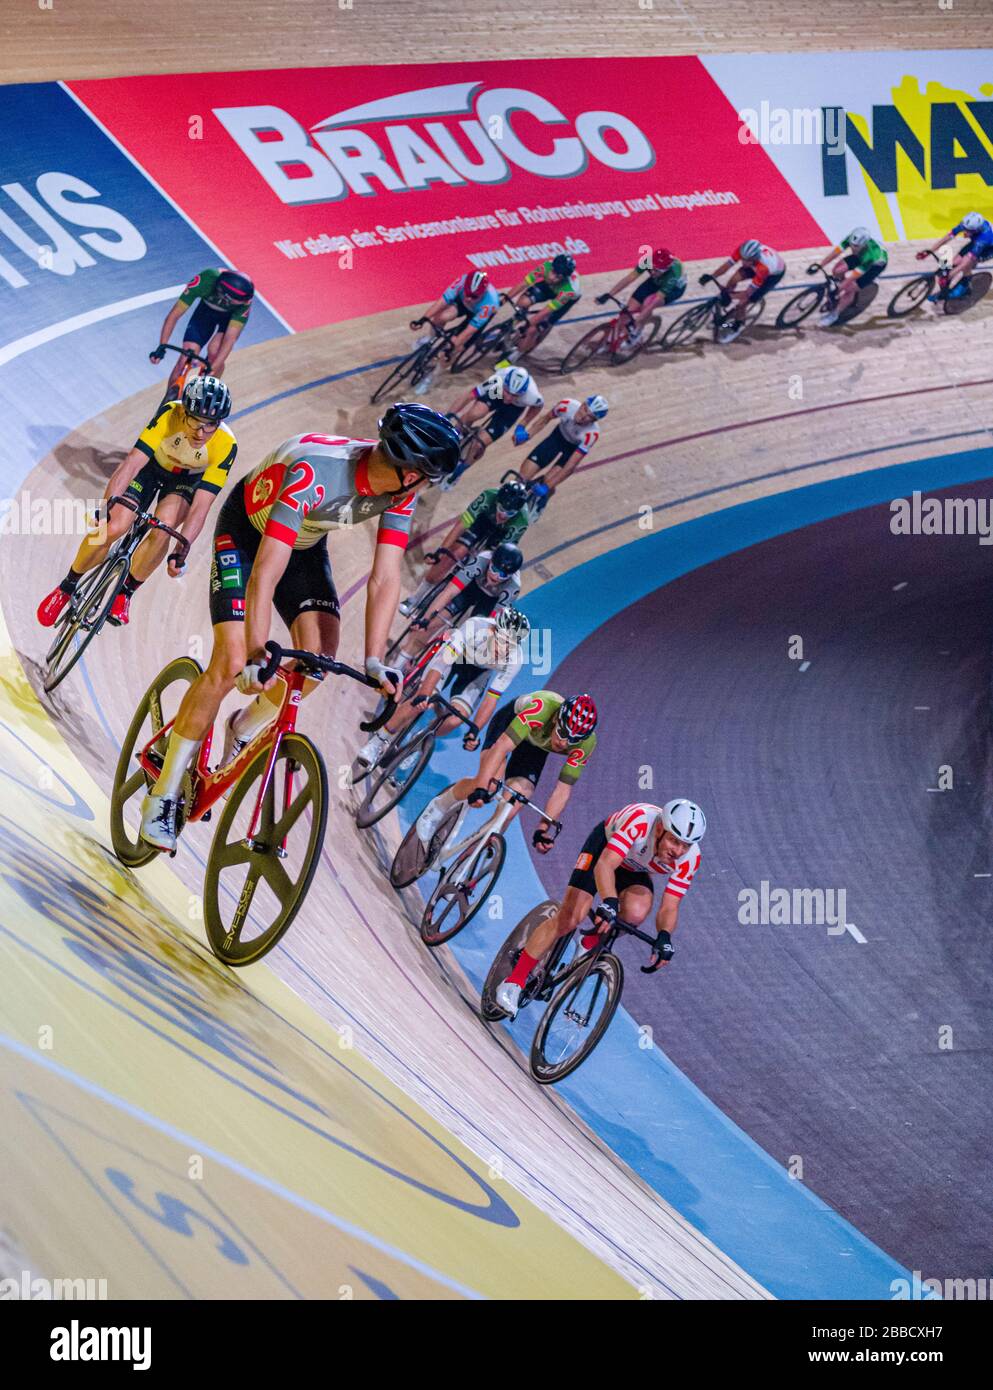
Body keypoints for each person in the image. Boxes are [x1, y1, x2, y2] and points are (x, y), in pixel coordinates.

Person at [138, 403, 461, 851]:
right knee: (230, 662)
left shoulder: (400, 491)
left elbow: (385, 577)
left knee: (317, 660)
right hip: (247, 536)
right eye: (428, 479)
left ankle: (243, 726)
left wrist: (374, 660)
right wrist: (256, 651)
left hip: (303, 544)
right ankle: (163, 793)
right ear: (410, 474)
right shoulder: (315, 471)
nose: (427, 487)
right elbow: (264, 573)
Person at [37, 376, 237, 630]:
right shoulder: (170, 414)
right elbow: (132, 463)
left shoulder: (226, 444)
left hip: (184, 482)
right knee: (113, 527)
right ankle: (67, 586)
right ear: (184, 412)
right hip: (150, 468)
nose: (201, 433)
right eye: (195, 421)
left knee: (163, 530)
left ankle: (125, 592)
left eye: (210, 425)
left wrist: (181, 550)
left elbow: (201, 506)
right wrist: (106, 507)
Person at [495, 798, 706, 1017]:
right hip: (605, 850)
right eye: (674, 841)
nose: (678, 850)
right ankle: (513, 982)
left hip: (634, 868)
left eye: (686, 845)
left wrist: (664, 936)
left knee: (636, 912)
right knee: (570, 917)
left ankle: (588, 943)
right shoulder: (641, 821)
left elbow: (670, 905)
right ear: (660, 828)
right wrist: (609, 901)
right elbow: (605, 864)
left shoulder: (690, 858)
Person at [413, 688, 598, 851]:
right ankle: (438, 806)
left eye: (574, 740)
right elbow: (502, 747)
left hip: (535, 747)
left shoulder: (586, 744)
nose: (564, 743)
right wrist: (481, 787)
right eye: (563, 733)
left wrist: (543, 828)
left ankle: (468, 863)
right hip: (509, 724)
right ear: (557, 718)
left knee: (511, 809)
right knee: (490, 785)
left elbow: (563, 790)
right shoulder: (542, 708)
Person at [353, 606, 530, 772]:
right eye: (502, 641)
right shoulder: (475, 627)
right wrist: (424, 693)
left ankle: (419, 742)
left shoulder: (515, 660)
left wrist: (475, 729)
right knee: (421, 701)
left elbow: (492, 698)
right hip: (453, 659)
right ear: (492, 630)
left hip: (478, 674)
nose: (504, 649)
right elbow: (442, 663)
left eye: (510, 645)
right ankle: (377, 742)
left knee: (456, 720)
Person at [398, 478, 530, 617]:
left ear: (517, 512)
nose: (503, 515)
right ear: (497, 501)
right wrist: (440, 552)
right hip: (482, 522)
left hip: (501, 535)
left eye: (510, 513)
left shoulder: (522, 521)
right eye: (502, 509)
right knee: (453, 554)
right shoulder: (488, 496)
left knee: (483, 565)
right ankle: (414, 599)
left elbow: (499, 554)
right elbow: (461, 526)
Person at [396, 540, 524, 667]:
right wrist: (425, 620)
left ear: (510, 575)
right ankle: (400, 664)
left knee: (474, 636)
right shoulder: (482, 560)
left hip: (489, 602)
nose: (496, 576)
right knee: (432, 623)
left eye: (503, 575)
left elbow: (492, 622)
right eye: (494, 569)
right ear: (490, 561)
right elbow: (449, 592)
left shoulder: (513, 587)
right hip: (470, 587)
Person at [150, 268, 254, 392]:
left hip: (228, 318)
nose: (243, 303)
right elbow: (174, 315)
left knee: (215, 352)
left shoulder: (245, 301)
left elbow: (229, 339)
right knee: (186, 357)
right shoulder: (206, 280)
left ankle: (207, 390)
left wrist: (213, 368)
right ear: (225, 296)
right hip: (205, 312)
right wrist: (162, 346)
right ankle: (168, 400)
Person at [444, 363, 544, 484]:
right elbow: (470, 395)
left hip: (514, 408)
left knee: (480, 444)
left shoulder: (532, 395)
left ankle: (460, 470)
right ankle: (455, 434)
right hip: (496, 393)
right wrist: (447, 417)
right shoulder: (498, 378)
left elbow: (538, 406)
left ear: (522, 393)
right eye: (508, 392)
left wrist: (522, 425)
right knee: (475, 413)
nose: (509, 398)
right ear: (504, 384)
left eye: (514, 395)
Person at [519, 395, 606, 505]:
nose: (584, 416)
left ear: (594, 421)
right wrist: (528, 434)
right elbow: (545, 419)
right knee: (523, 477)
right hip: (556, 439)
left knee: (548, 481)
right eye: (585, 409)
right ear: (583, 404)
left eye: (590, 416)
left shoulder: (591, 434)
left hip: (571, 450)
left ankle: (541, 504)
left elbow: (570, 466)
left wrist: (547, 487)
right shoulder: (567, 405)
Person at [596, 248, 687, 346]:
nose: (652, 272)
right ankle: (609, 342)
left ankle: (637, 332)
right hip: (656, 281)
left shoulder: (672, 275)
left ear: (666, 269)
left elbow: (655, 300)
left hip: (673, 290)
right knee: (628, 311)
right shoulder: (647, 261)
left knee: (647, 303)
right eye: (652, 268)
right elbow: (630, 277)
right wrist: (609, 294)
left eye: (657, 270)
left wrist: (637, 321)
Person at [703, 239, 785, 342]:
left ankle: (736, 326)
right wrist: (712, 276)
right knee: (733, 279)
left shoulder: (763, 268)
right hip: (755, 266)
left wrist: (731, 296)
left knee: (743, 303)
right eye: (743, 259)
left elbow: (747, 293)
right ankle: (726, 304)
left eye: (747, 260)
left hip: (771, 276)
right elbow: (727, 266)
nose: (743, 262)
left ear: (755, 258)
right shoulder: (743, 251)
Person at [411, 270, 501, 361]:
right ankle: (430, 339)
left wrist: (452, 348)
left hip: (478, 313)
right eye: (467, 293)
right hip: (462, 303)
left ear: (483, 293)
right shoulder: (462, 281)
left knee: (455, 349)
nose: (469, 299)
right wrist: (423, 319)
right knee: (441, 317)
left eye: (474, 296)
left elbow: (469, 331)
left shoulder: (490, 303)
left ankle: (438, 370)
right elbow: (442, 302)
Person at [504, 253, 582, 359]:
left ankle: (518, 354)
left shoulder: (569, 291)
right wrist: (504, 300)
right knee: (523, 302)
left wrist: (528, 325)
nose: (553, 278)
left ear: (564, 277)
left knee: (533, 329)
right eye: (553, 272)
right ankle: (517, 320)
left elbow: (546, 310)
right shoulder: (546, 266)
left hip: (565, 297)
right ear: (551, 267)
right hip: (548, 287)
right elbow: (523, 284)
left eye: (559, 276)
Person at [811, 227, 888, 326]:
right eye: (851, 245)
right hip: (860, 256)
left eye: (856, 246)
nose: (852, 248)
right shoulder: (852, 238)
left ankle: (834, 315)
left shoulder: (872, 255)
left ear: (864, 244)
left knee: (849, 288)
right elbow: (836, 252)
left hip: (873, 266)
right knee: (837, 270)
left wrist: (840, 289)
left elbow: (853, 276)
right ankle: (839, 296)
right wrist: (820, 265)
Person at [918, 212, 993, 300]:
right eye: (964, 228)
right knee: (953, 263)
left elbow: (965, 262)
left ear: (975, 230)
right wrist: (930, 251)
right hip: (975, 242)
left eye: (967, 230)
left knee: (966, 265)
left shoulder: (983, 239)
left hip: (986, 251)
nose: (964, 231)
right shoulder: (967, 224)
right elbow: (947, 238)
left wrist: (949, 275)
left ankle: (965, 287)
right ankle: (946, 289)